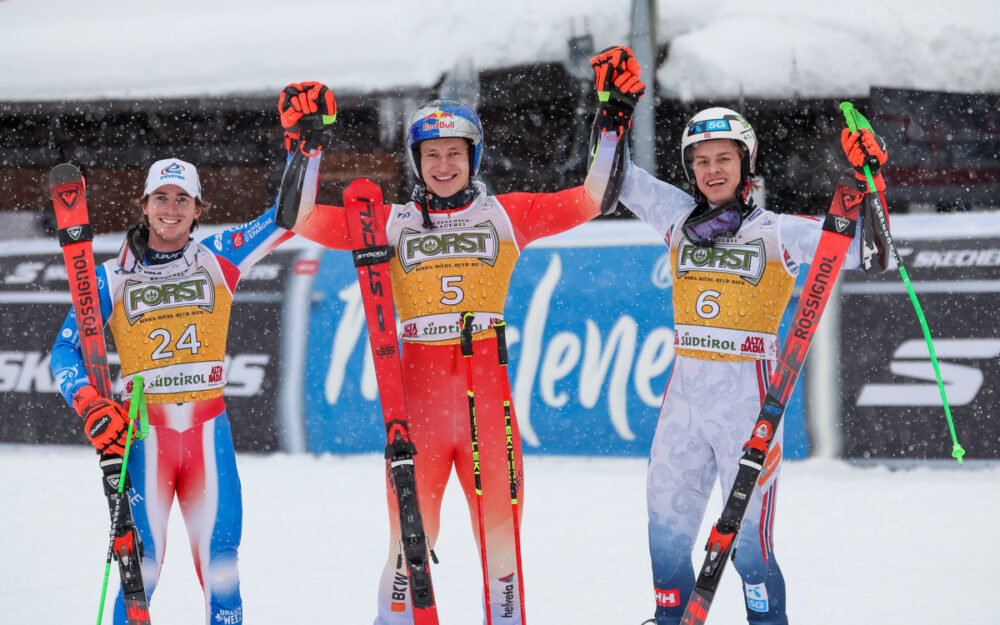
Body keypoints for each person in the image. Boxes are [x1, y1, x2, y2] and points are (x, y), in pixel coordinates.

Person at [288, 65, 642, 624]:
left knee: (502, 551)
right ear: (416, 162)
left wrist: (614, 121)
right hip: (419, 403)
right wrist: (304, 152)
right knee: (409, 544)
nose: (443, 165)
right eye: (431, 154)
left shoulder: (508, 214)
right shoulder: (390, 222)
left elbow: (594, 197)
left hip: (487, 402)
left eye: (455, 152)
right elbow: (300, 218)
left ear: (473, 157)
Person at [594, 48, 889, 625]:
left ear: (745, 163)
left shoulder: (778, 232)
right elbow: (609, 184)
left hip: (749, 401)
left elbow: (872, 255)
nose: (712, 170)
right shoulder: (677, 217)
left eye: (723, 158)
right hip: (683, 401)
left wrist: (871, 183)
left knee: (750, 551)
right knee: (666, 538)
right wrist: (612, 116)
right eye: (700, 160)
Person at [49, 84, 335, 625]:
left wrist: (308, 152)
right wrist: (90, 405)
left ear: (199, 208)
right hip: (145, 438)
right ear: (145, 205)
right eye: (162, 197)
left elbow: (288, 216)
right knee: (142, 573)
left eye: (183, 199)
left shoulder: (219, 257)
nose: (172, 208)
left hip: (208, 435)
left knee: (222, 571)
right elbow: (64, 353)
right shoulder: (108, 278)